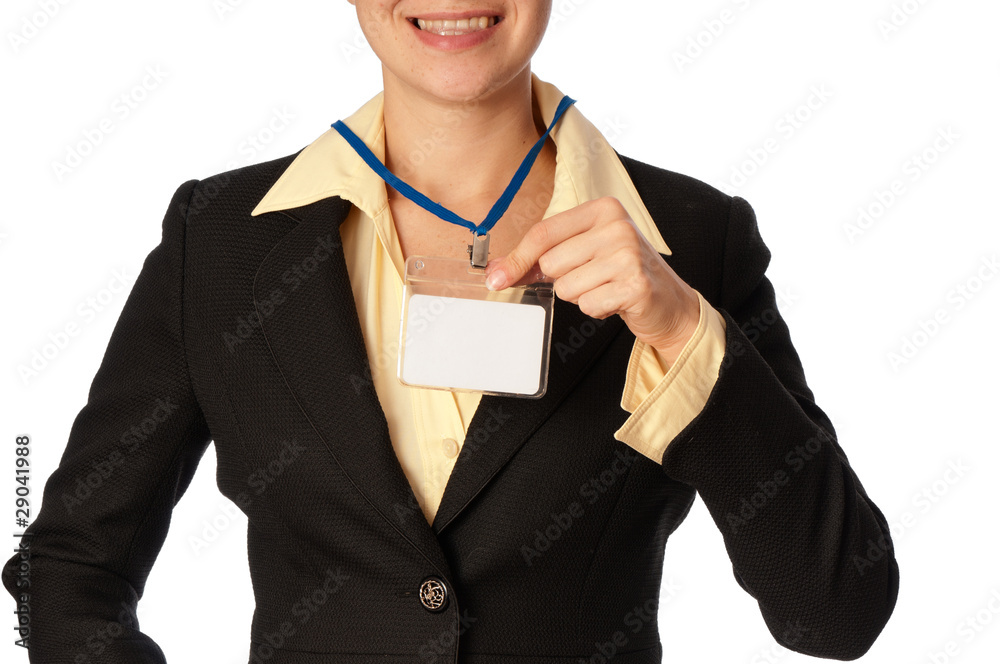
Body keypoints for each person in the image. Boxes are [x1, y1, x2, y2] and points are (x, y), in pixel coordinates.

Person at [2, 1, 898, 662]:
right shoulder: (225, 240)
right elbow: (69, 569)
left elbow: (838, 608)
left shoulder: (691, 242)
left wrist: (682, 331)